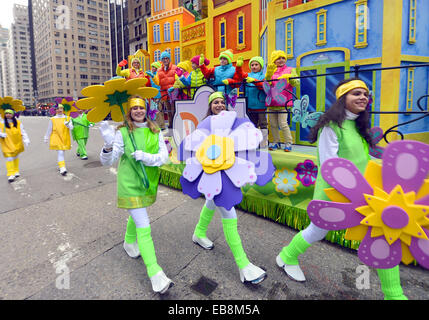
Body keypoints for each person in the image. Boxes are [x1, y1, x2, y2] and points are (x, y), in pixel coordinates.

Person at [276, 78, 407, 300]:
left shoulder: (358, 127)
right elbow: (330, 166)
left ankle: (394, 295)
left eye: (365, 94)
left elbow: (362, 161)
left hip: (364, 195)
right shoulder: (331, 127)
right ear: (342, 98)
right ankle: (287, 256)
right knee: (317, 230)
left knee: (383, 235)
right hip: (334, 193)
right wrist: (354, 193)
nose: (363, 97)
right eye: (356, 93)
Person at [98, 95, 172, 294]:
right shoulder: (122, 132)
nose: (138, 111)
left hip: (147, 182)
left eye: (141, 107)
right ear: (129, 112)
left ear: (146, 110)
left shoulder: (155, 131)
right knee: (144, 225)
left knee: (139, 215)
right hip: (129, 183)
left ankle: (129, 242)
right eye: (134, 108)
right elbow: (109, 161)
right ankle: (155, 273)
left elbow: (164, 157)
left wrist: (146, 157)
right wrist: (107, 146)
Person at [191, 91, 267, 285]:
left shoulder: (233, 124)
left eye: (222, 102)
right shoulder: (205, 125)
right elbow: (197, 148)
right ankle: (244, 266)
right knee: (229, 214)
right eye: (215, 102)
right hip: (213, 174)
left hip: (228, 175)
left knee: (210, 202)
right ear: (210, 106)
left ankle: (199, 233)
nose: (220, 105)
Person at [265, 50, 299, 152]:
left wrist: (290, 78)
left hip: (283, 102)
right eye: (278, 58)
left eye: (283, 58)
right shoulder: (271, 70)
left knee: (283, 123)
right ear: (274, 61)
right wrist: (268, 76)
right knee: (273, 124)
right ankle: (276, 142)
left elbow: (296, 83)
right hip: (272, 102)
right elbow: (266, 85)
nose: (281, 60)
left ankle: (288, 143)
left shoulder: (290, 69)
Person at [0, 109, 30, 182]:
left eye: (9, 113)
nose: (8, 115)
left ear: (13, 114)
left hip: (17, 142)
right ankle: (11, 174)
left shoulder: (18, 122)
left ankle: (16, 170)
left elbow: (23, 131)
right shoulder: (1, 123)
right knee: (9, 158)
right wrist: (1, 134)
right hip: (6, 143)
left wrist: (26, 139)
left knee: (15, 156)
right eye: (6, 113)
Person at [44, 104, 73, 176]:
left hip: (65, 137)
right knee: (60, 152)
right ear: (55, 110)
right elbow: (49, 129)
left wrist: (68, 125)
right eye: (57, 109)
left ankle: (61, 166)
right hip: (56, 137)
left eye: (61, 108)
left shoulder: (68, 118)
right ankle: (62, 167)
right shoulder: (52, 119)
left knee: (62, 152)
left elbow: (72, 128)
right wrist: (46, 137)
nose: (59, 110)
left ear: (63, 109)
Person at [153, 51, 177, 132]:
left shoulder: (174, 67)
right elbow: (158, 82)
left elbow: (177, 80)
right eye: (163, 59)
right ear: (161, 60)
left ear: (169, 59)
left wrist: (174, 87)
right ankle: (170, 127)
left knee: (174, 110)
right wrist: (153, 77)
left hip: (173, 93)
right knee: (169, 111)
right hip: (165, 94)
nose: (165, 60)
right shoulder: (159, 70)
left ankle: (175, 126)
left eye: (167, 58)